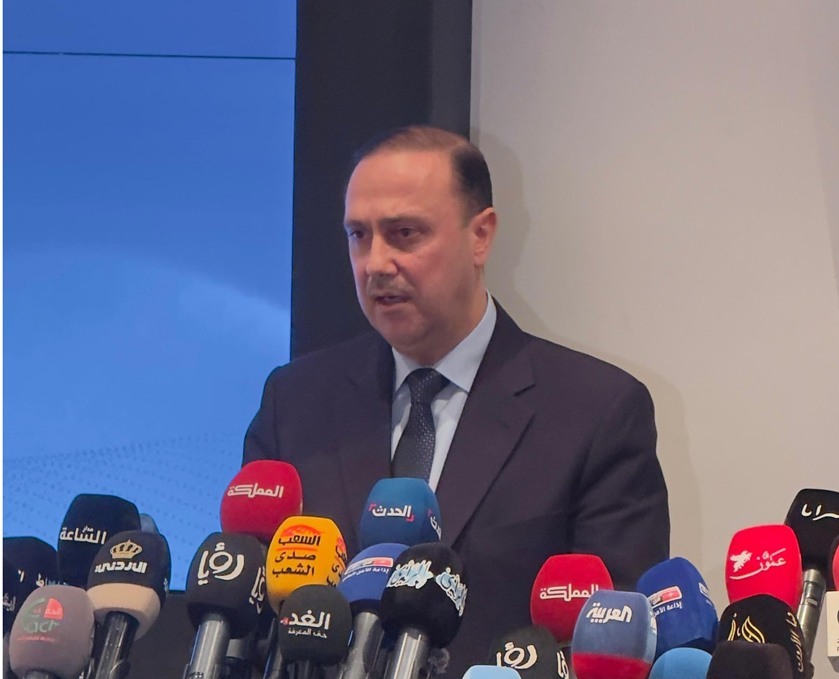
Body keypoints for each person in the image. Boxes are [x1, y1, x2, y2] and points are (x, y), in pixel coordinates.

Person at [243, 125, 669, 675]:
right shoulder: (295, 401)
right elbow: (249, 617)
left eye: (404, 233)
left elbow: (613, 645)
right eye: (358, 235)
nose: (375, 263)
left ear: (480, 236)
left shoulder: (596, 412)